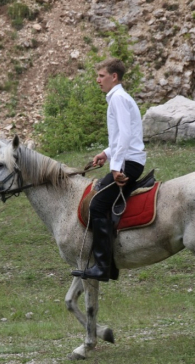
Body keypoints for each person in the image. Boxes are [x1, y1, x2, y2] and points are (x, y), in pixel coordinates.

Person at [72, 58, 146, 282]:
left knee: (97, 204)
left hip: (128, 163)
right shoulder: (118, 98)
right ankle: (109, 264)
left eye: (101, 76)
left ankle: (103, 267)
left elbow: (124, 136)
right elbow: (123, 136)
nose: (98, 80)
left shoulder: (118, 99)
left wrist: (115, 167)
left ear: (114, 77)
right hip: (127, 159)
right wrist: (107, 153)